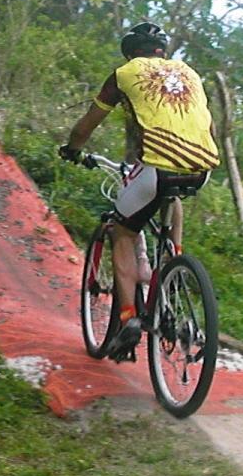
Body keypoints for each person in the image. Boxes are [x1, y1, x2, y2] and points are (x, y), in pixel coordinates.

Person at [59, 22, 220, 359]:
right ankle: (173, 261)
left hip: (156, 170)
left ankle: (129, 317)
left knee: (122, 231)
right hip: (202, 167)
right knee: (173, 195)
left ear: (130, 52)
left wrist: (73, 148)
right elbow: (208, 124)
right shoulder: (189, 73)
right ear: (162, 51)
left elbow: (87, 125)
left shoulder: (124, 74)